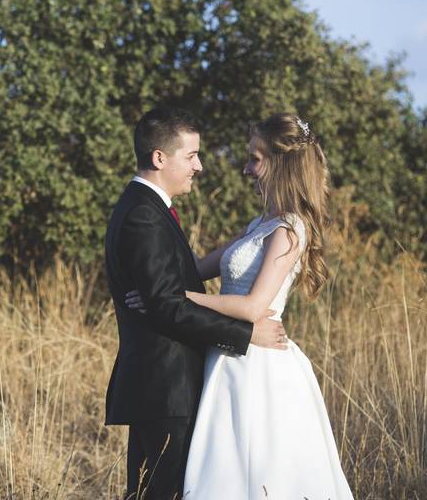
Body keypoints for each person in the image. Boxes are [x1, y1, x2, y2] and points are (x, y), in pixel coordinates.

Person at [126, 113, 353, 498]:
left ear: (281, 163)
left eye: (255, 158)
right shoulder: (259, 224)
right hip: (228, 356)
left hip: (260, 362)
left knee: (262, 468)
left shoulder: (289, 230)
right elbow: (197, 267)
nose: (246, 169)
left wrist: (173, 298)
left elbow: (253, 306)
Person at [103, 108, 288, 500]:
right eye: (191, 156)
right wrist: (247, 333)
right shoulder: (143, 216)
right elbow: (167, 307)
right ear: (159, 158)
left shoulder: (147, 208)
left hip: (167, 384)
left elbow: (172, 290)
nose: (199, 166)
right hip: (166, 387)